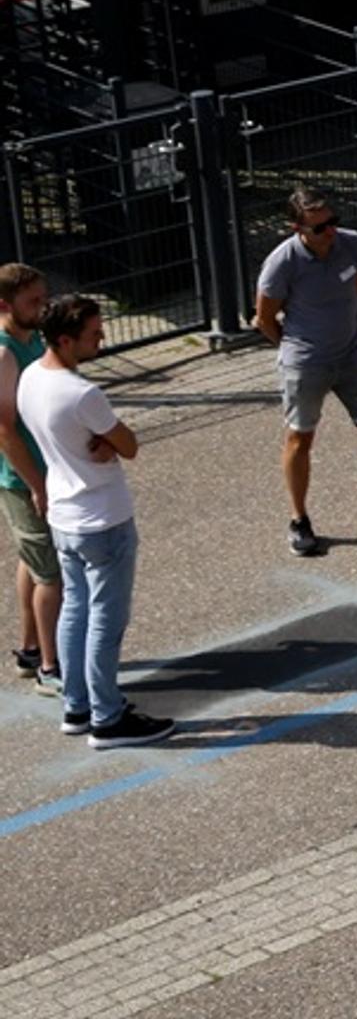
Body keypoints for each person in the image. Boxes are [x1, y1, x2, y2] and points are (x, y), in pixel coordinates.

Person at [23, 295, 166, 747]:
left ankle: (77, 705)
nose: (101, 341)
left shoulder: (30, 377)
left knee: (75, 611)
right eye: (93, 335)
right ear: (65, 340)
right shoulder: (83, 393)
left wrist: (103, 441)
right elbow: (129, 443)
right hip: (103, 518)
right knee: (107, 619)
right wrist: (109, 441)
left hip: (64, 517)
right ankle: (107, 718)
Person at [256, 185, 357, 557]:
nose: (329, 231)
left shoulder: (352, 244)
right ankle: (299, 519)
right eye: (319, 228)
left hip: (354, 356)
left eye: (333, 222)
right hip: (306, 363)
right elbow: (264, 318)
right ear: (297, 228)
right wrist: (294, 350)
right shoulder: (282, 263)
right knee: (301, 438)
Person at [0, 266, 56, 697]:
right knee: (51, 573)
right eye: (32, 302)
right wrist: (36, 484)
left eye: (43, 297)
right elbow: (4, 430)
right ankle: (50, 669)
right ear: (4, 306)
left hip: (44, 469)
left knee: (31, 559)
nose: (43, 307)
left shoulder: (32, 335)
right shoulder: (3, 354)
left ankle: (30, 649)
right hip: (22, 479)